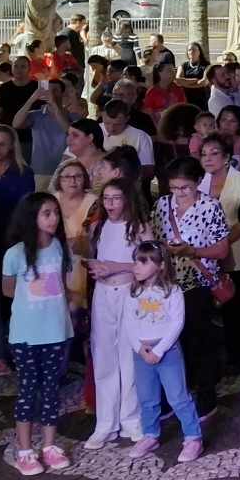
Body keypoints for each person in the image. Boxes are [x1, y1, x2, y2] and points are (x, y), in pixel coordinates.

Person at [1, 193, 75, 476]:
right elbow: (8, 290)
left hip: (56, 332)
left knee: (51, 389)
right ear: (31, 217)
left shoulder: (59, 247)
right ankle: (24, 449)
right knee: (28, 389)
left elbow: (62, 286)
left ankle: (49, 445)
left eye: (55, 212)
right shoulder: (15, 254)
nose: (53, 218)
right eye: (46, 213)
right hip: (26, 335)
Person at [154, 157, 234, 417]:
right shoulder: (162, 205)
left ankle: (206, 394)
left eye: (185, 188)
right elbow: (154, 241)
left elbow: (222, 249)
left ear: (199, 182)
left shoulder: (210, 206)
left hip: (198, 282)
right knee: (170, 341)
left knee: (199, 339)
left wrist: (192, 251)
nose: (178, 193)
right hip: (167, 283)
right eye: (174, 188)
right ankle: (174, 394)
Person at [81, 179, 152, 449]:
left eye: (116, 198)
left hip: (129, 293)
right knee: (104, 357)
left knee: (129, 356)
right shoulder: (99, 227)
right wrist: (97, 267)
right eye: (106, 198)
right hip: (103, 294)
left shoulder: (139, 227)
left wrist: (116, 267)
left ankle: (131, 418)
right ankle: (105, 423)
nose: (110, 204)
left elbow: (151, 263)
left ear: (127, 199)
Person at [121, 241, 206, 463]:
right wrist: (140, 348)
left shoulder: (172, 291)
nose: (136, 266)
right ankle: (150, 434)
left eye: (143, 262)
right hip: (142, 352)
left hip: (167, 351)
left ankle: (193, 437)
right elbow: (129, 323)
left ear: (160, 265)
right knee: (147, 397)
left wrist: (159, 350)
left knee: (178, 396)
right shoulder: (133, 292)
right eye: (135, 261)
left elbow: (177, 323)